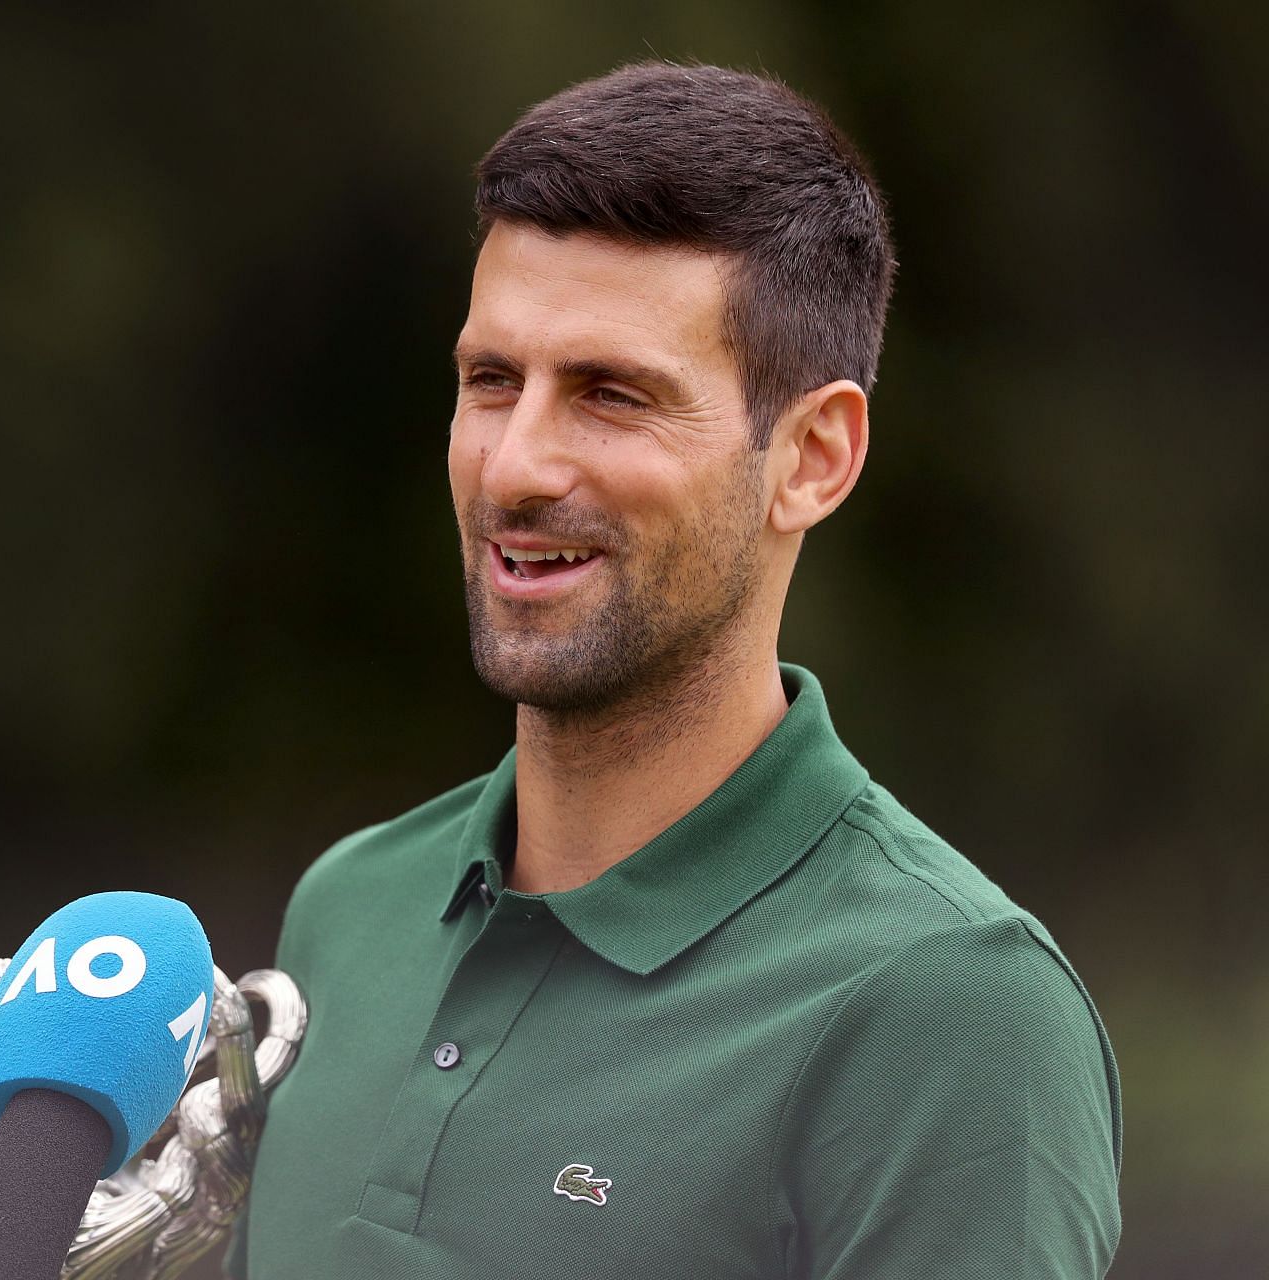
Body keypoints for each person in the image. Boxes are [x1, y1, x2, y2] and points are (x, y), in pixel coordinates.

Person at [227, 61, 1121, 1279]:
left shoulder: (951, 1008)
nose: (516, 465)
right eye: (491, 380)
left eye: (611, 394)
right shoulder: (349, 908)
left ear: (811, 457)